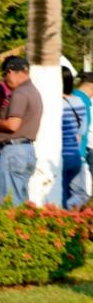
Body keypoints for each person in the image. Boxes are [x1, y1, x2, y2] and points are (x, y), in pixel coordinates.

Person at [0, 56, 42, 206]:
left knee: (10, 202)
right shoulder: (34, 91)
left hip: (14, 151)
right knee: (20, 199)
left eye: (5, 75)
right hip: (27, 150)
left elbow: (13, 125)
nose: (5, 80)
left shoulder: (19, 93)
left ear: (11, 71)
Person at [61, 67, 89, 207]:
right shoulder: (79, 101)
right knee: (78, 196)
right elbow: (81, 132)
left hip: (62, 156)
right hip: (76, 155)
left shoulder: (56, 104)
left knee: (61, 195)